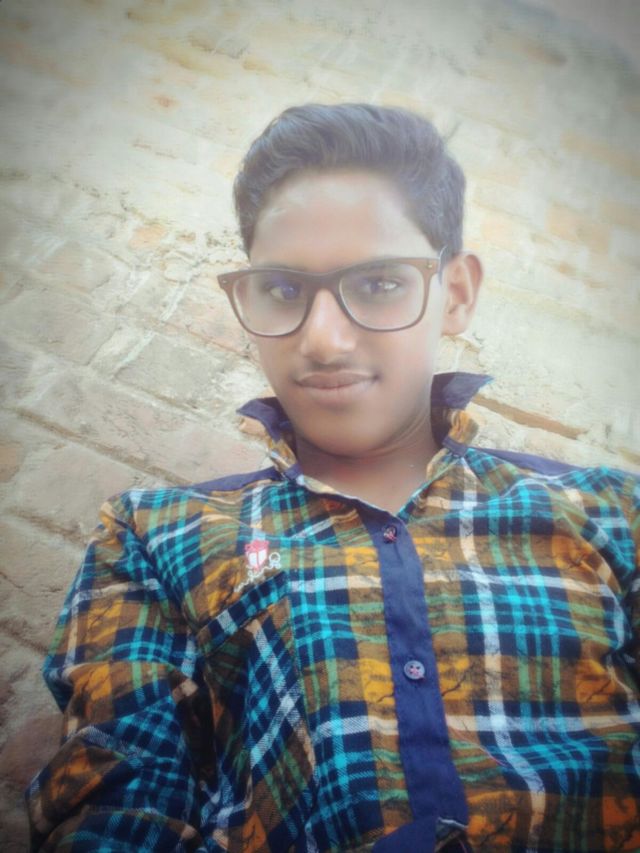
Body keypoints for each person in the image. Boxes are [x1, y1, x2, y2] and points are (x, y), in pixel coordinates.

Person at [27, 104, 639, 852]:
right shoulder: (153, 536)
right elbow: (122, 805)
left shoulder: (612, 513)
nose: (322, 339)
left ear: (455, 293)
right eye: (283, 290)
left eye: (378, 282)